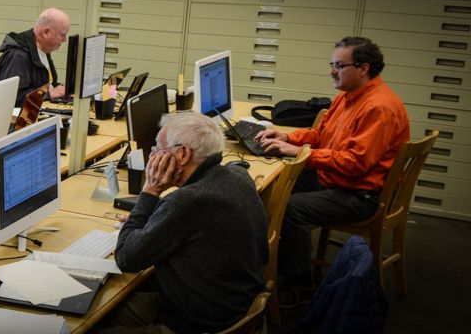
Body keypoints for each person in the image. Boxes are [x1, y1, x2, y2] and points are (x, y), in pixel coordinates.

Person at [255, 36, 410, 306]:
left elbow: (355, 163)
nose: (332, 71)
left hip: (359, 194)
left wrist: (301, 154)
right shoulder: (348, 97)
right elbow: (320, 135)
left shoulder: (378, 108)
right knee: (274, 181)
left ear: (363, 68)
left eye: (339, 65)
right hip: (338, 180)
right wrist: (288, 138)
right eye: (332, 64)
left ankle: (302, 284)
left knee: (289, 209)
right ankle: (276, 262)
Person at [103, 111, 267, 334]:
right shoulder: (237, 175)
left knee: (86, 325)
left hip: (194, 323)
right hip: (231, 305)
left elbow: (126, 258)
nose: (153, 156)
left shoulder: (186, 202)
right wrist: (156, 219)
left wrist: (150, 191)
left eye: (157, 149)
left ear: (182, 154)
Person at [0, 8, 72, 107]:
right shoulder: (18, 56)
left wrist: (62, 90)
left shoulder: (43, 49)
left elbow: (47, 84)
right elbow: (14, 98)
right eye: (62, 35)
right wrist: (49, 94)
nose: (65, 40)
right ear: (45, 32)